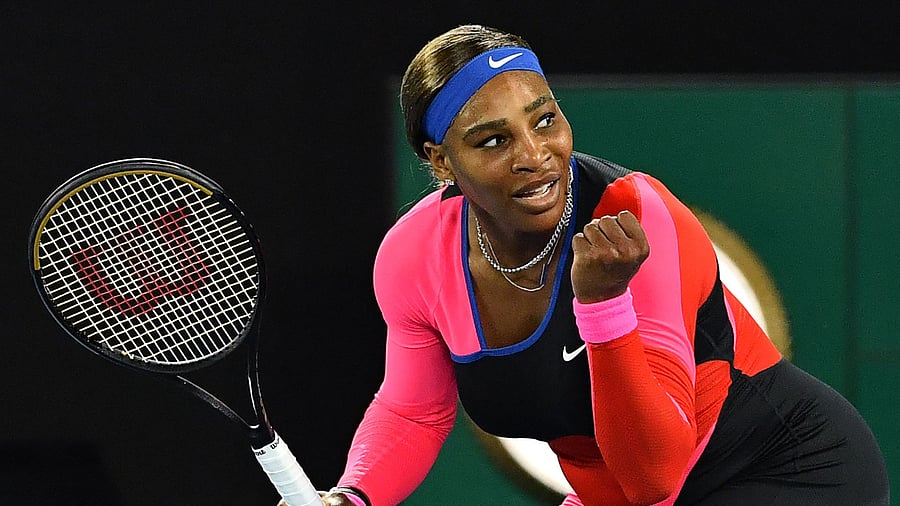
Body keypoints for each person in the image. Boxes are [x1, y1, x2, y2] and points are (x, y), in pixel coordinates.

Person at [302, 24, 890, 506]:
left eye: (544, 120)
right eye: (493, 141)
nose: (535, 155)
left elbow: (652, 475)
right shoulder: (415, 256)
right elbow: (415, 412)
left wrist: (604, 305)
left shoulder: (637, 215)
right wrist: (352, 496)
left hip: (790, 471)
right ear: (441, 160)